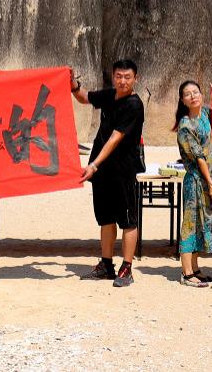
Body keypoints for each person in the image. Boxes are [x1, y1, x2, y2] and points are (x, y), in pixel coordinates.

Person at [74, 59, 146, 288]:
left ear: (136, 79)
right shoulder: (110, 95)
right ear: (113, 77)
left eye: (127, 77)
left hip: (122, 170)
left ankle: (126, 268)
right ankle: (106, 265)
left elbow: (115, 139)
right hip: (101, 170)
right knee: (105, 218)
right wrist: (73, 85)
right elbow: (85, 98)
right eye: (118, 76)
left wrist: (93, 165)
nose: (122, 81)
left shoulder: (134, 105)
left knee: (127, 220)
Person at [172, 79, 212, 288]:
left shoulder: (207, 115)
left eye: (196, 92)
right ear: (182, 100)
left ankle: (195, 268)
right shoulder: (185, 125)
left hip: (207, 180)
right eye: (187, 94)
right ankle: (186, 272)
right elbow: (199, 156)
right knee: (190, 224)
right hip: (195, 181)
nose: (193, 96)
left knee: (202, 224)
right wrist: (210, 182)